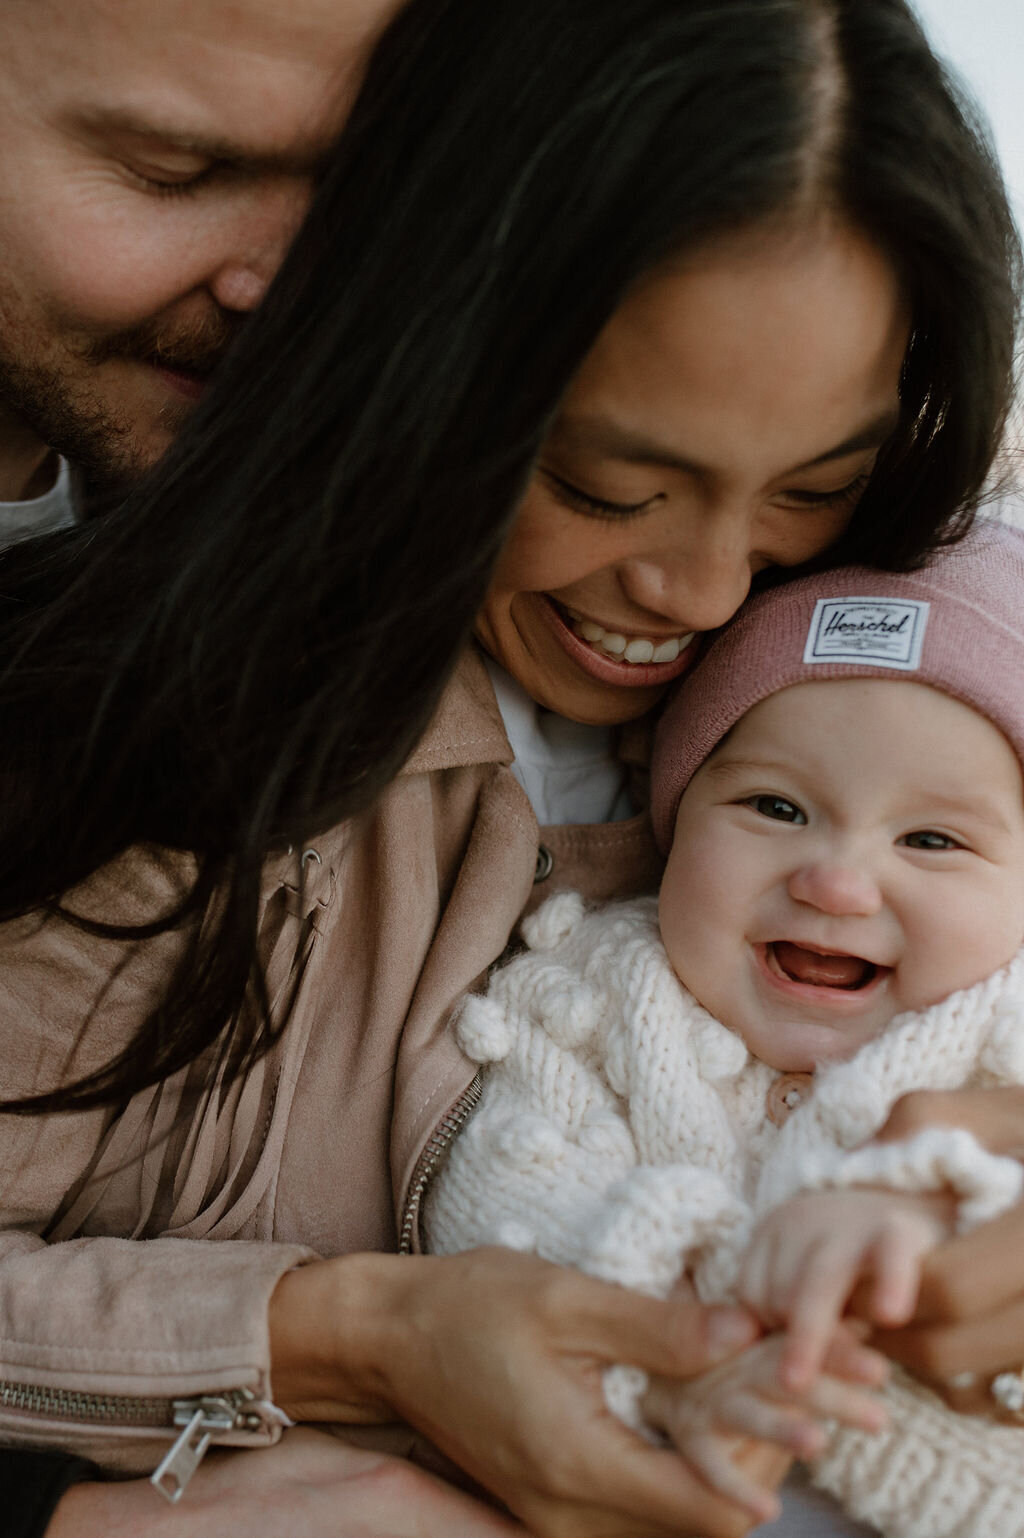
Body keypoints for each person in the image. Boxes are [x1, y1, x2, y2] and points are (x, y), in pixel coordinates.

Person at [0, 1, 1020, 1535]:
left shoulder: (927, 667)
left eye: (813, 485)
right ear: (429, 363)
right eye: (605, 484)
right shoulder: (173, 756)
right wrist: (349, 1337)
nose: (698, 587)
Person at [425, 518, 1024, 1537]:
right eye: (774, 806)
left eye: (930, 837)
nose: (834, 879)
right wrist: (679, 1346)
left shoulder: (1006, 1021)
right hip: (654, 1478)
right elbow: (495, 1199)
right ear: (673, 817)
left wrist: (948, 1211)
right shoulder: (592, 995)